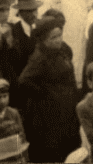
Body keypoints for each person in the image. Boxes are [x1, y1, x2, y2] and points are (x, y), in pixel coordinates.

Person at [15, 18, 80, 162]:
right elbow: (23, 81)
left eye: (59, 35)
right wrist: (45, 93)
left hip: (68, 107)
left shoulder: (63, 49)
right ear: (44, 40)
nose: (58, 40)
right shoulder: (39, 58)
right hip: (50, 114)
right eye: (53, 37)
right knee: (57, 149)